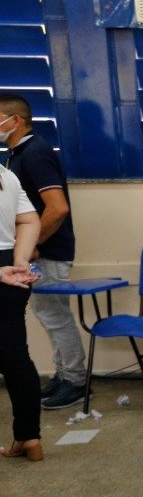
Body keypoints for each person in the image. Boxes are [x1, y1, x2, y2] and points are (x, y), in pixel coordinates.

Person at [0, 94, 87, 411]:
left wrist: (34, 244)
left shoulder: (35, 153)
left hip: (47, 252)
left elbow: (57, 208)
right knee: (48, 317)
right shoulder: (16, 155)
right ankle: (63, 375)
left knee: (55, 317)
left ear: (15, 120)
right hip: (36, 253)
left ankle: (76, 381)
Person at [0, 164, 43, 460]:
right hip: (10, 269)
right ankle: (29, 437)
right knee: (16, 359)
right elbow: (29, 219)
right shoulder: (6, 175)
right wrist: (20, 261)